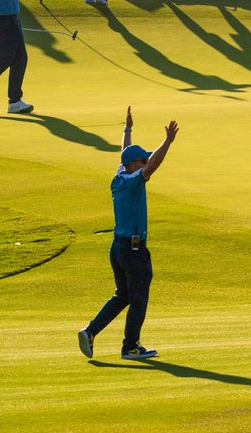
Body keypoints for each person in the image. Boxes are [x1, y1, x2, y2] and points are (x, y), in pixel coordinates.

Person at [78, 107, 177, 361]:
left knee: (122, 295)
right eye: (141, 160)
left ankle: (90, 331)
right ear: (133, 165)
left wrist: (128, 129)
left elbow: (125, 154)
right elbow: (152, 166)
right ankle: (130, 346)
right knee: (138, 298)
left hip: (118, 248)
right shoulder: (134, 180)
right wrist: (167, 142)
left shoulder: (120, 175)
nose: (145, 162)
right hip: (133, 251)